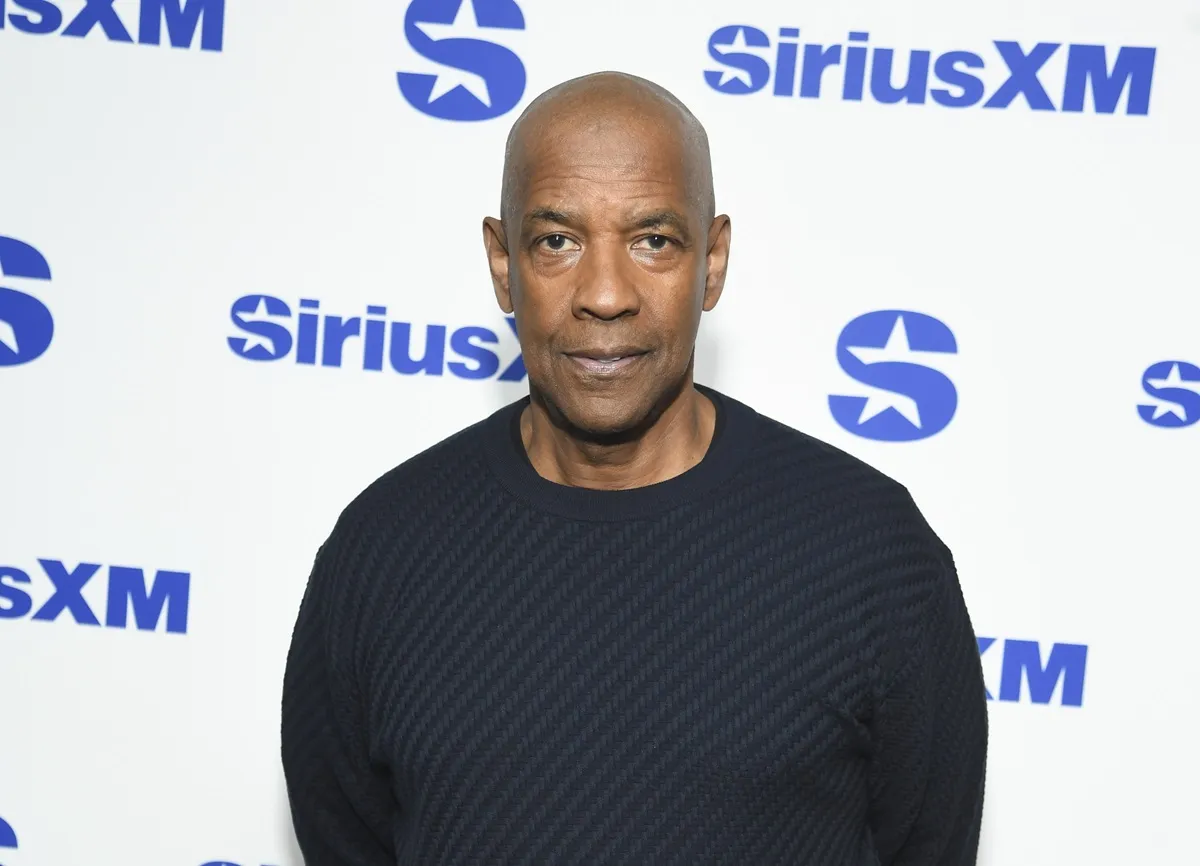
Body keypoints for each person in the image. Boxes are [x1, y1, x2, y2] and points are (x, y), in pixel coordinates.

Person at [281, 71, 988, 865]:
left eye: (653, 240)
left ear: (712, 263)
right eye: (557, 241)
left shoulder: (871, 556)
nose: (607, 295)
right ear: (502, 264)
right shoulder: (383, 550)